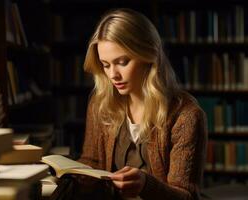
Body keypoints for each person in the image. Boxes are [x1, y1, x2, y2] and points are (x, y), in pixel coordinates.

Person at [77, 8, 207, 200]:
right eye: (105, 65)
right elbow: (92, 161)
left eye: (122, 62)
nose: (113, 75)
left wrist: (146, 185)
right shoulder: (101, 105)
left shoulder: (186, 116)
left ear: (149, 55)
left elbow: (187, 196)